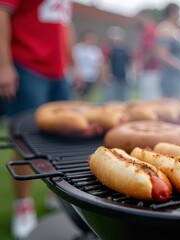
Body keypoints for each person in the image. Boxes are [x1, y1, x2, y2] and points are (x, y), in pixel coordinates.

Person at [0, 0, 74, 239]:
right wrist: (3, 65)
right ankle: (23, 206)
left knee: (62, 140)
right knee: (26, 143)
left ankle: (55, 193)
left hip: (59, 72)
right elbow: (2, 13)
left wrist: (70, 64)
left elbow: (64, 23)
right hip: (28, 66)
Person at [133, 9, 162, 100]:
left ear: (144, 17)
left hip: (150, 70)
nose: (136, 21)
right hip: (149, 70)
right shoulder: (147, 30)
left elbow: (151, 50)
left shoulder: (150, 30)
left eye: (138, 18)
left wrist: (141, 65)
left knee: (149, 100)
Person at [101, 26, 132, 103]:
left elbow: (129, 63)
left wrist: (130, 75)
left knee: (124, 100)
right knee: (107, 100)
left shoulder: (125, 49)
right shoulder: (108, 48)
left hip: (123, 77)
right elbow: (105, 63)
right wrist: (105, 75)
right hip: (111, 77)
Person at [72, 31, 104, 101]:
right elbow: (75, 62)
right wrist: (78, 76)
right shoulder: (78, 48)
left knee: (86, 96)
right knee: (76, 95)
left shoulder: (96, 50)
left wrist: (101, 76)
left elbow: (100, 63)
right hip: (80, 76)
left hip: (91, 77)